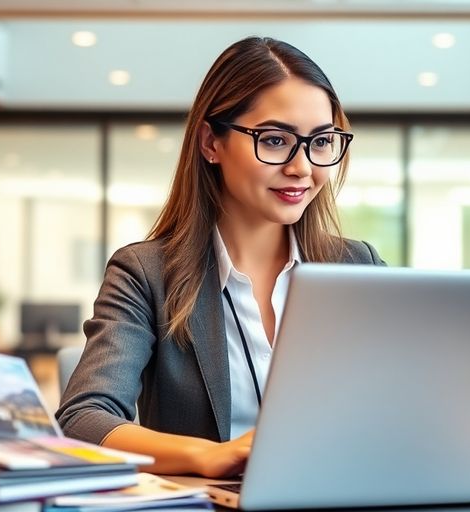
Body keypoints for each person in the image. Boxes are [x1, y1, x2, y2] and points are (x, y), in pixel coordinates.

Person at [56, 36, 385, 478]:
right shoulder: (146, 274)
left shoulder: (357, 266)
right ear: (211, 142)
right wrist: (208, 455)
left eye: (321, 141)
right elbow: (82, 420)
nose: (302, 167)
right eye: (274, 140)